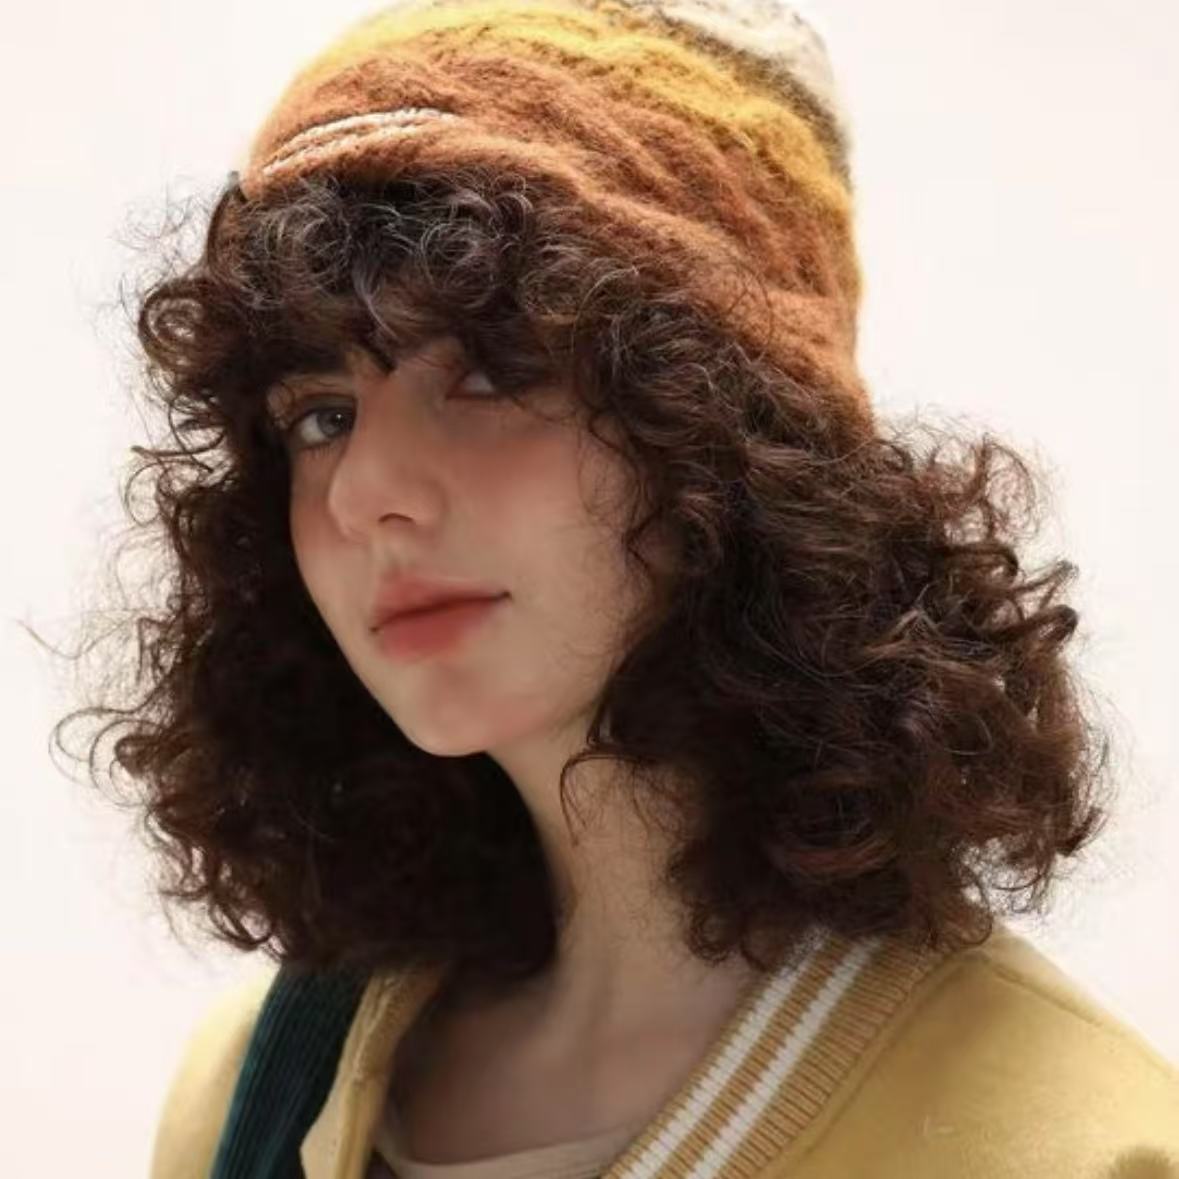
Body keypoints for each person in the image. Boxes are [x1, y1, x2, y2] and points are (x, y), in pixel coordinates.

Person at [51, 0, 1179, 1176]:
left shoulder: (1070, 1148)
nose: (363, 492)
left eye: (489, 372)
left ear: (725, 432)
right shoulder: (262, 1089)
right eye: (321, 417)